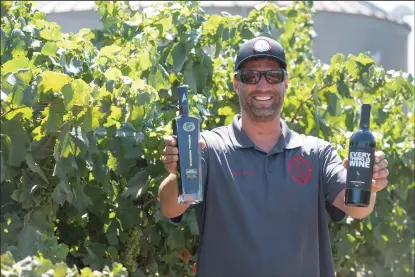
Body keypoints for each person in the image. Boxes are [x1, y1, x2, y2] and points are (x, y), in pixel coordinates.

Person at [158, 36, 389, 277]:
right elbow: (169, 207)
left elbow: (357, 208)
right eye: (251, 76)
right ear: (237, 83)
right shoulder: (209, 148)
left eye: (273, 76)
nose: (263, 85)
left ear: (285, 82)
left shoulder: (316, 153)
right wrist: (183, 167)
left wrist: (369, 185)